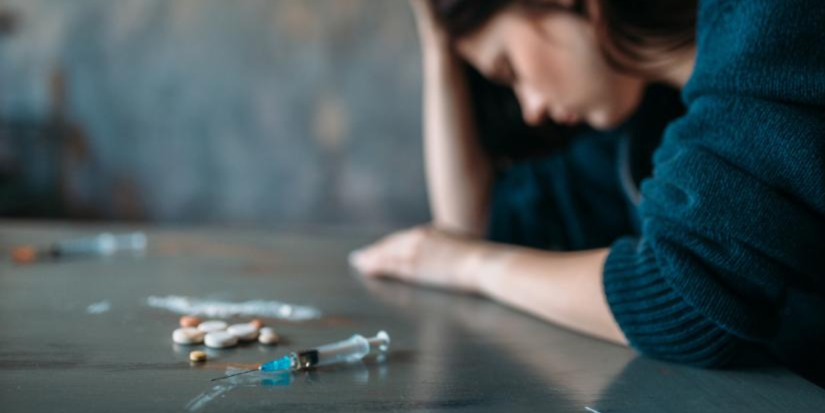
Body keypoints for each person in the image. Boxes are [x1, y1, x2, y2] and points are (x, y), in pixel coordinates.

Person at [349, 0, 825, 383]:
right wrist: (438, 46)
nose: (531, 109)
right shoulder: (648, 129)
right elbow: (480, 224)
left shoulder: (770, 17)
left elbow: (686, 302)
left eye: (509, 69)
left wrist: (473, 267)